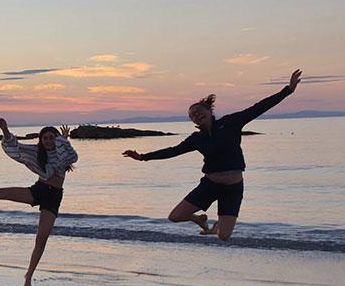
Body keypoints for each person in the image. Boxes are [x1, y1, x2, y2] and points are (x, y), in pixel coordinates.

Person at [123, 69, 302, 242]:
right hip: (210, 185)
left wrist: (288, 90)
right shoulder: (197, 139)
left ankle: (216, 227)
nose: (196, 115)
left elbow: (258, 108)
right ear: (192, 121)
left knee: (224, 237)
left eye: (199, 111)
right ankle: (198, 219)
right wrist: (143, 157)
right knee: (175, 216)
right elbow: (173, 151)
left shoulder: (230, 123)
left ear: (209, 111)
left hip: (233, 188)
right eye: (192, 115)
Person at [0, 120, 78, 286]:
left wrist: (64, 140)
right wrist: (5, 130)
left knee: (41, 240)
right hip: (39, 190)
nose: (49, 140)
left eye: (52, 137)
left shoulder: (63, 153)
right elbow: (16, 148)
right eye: (45, 138)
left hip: (54, 197)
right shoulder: (38, 152)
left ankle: (28, 276)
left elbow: (70, 155)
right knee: (0, 192)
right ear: (41, 140)